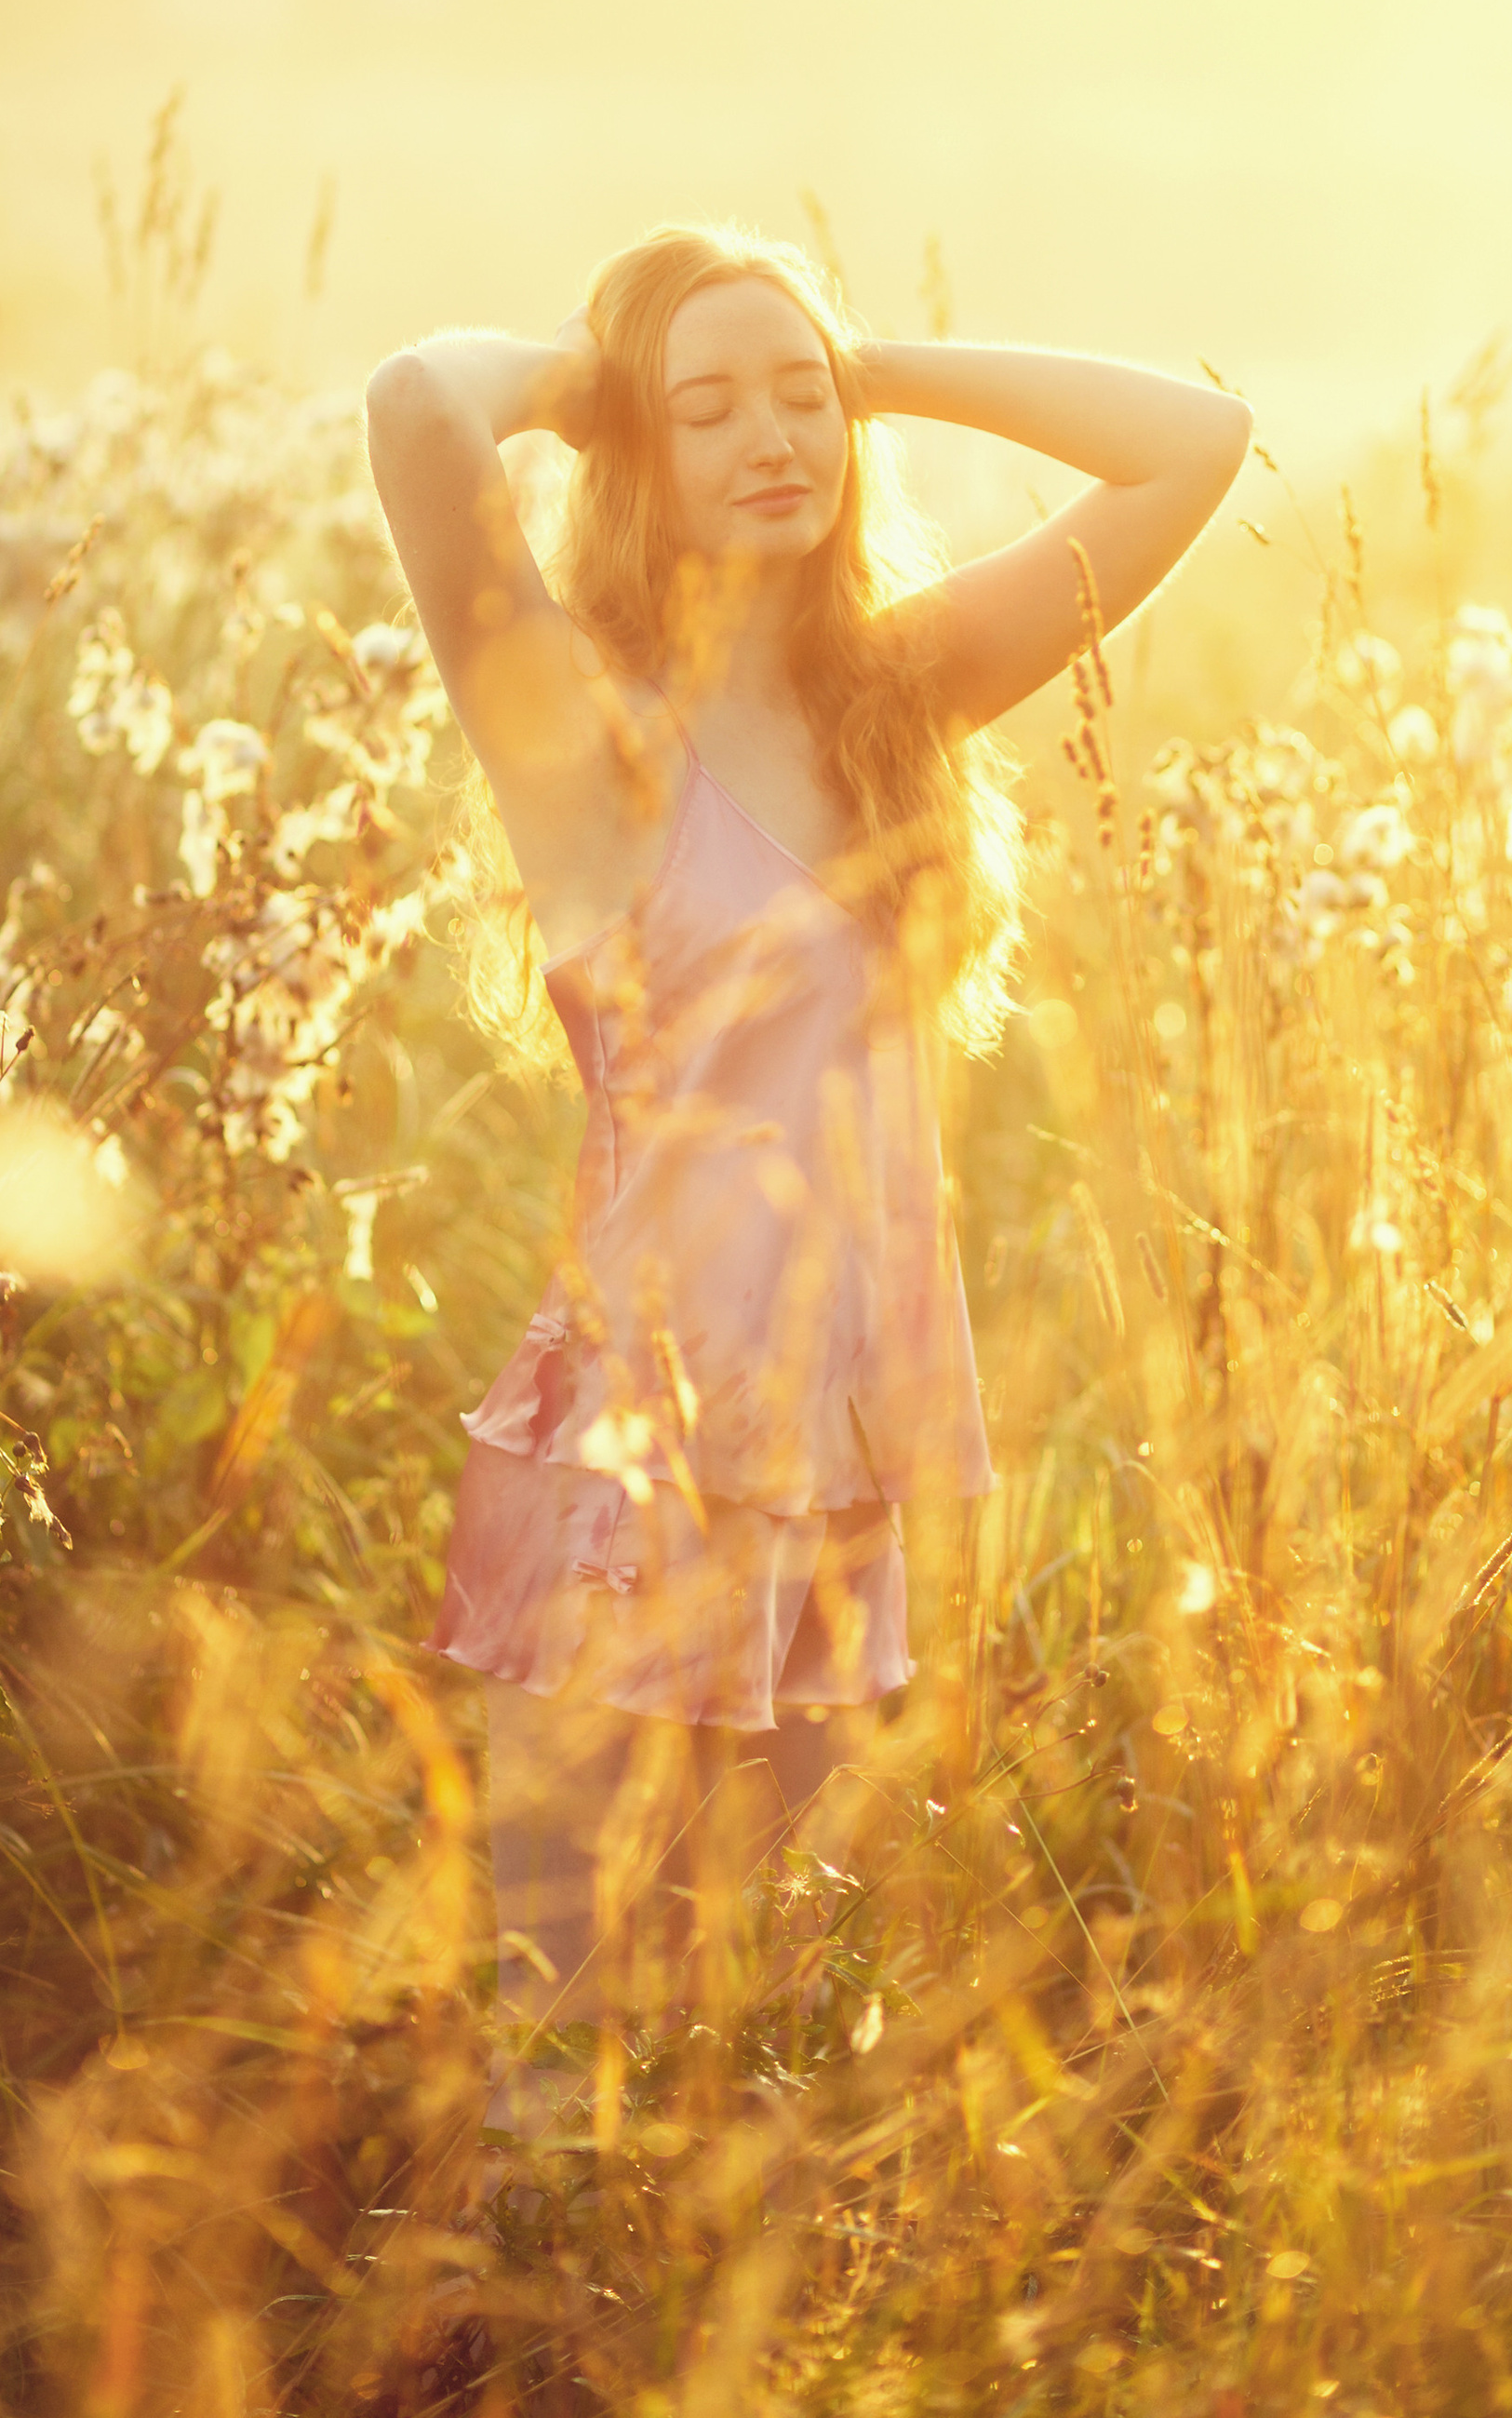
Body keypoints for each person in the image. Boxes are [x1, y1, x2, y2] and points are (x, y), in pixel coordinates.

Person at [364, 222, 1249, 2130]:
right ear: (636, 450)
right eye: (708, 408)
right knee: (566, 2066)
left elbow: (1190, 440)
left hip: (840, 1465)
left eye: (798, 396)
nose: (771, 433)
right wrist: (587, 375)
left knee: (777, 2075)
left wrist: (880, 358)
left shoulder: (896, 693)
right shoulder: (578, 737)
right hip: (626, 1458)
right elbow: (415, 409)